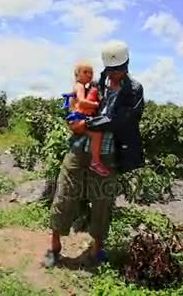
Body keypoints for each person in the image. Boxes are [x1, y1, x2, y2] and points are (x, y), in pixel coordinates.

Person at [45, 40, 144, 267]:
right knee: (64, 194)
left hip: (108, 155)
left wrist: (88, 122)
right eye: (111, 70)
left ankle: (98, 249)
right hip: (79, 149)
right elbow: (76, 105)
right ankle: (54, 248)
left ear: (127, 66)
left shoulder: (134, 90)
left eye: (118, 69)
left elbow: (122, 120)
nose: (114, 74)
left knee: (102, 201)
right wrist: (73, 118)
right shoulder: (96, 84)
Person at [65, 61, 109, 177]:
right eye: (85, 72)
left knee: (94, 132)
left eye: (91, 72)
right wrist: (96, 104)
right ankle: (95, 161)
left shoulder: (84, 87)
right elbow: (82, 102)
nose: (89, 75)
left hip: (76, 121)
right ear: (77, 74)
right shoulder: (79, 86)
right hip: (77, 121)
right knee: (96, 134)